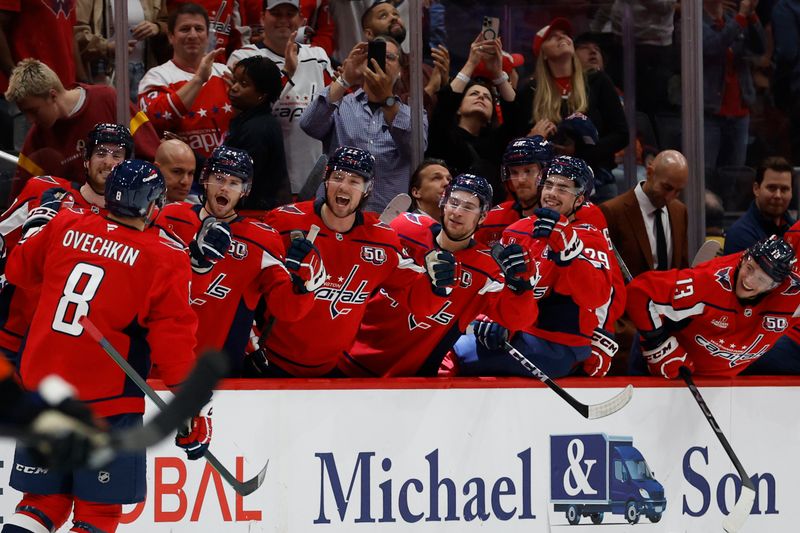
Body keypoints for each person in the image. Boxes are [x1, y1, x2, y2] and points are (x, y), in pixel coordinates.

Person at [2, 159, 206, 533]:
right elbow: (173, 346)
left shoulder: (65, 223)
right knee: (98, 513)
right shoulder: (164, 257)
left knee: (41, 503)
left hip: (40, 392)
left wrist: (34, 230)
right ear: (153, 205)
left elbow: (17, 272)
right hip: (106, 405)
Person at [255, 146, 456, 377]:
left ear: (367, 189)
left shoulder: (383, 239)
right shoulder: (284, 221)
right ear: (326, 179)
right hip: (270, 364)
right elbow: (247, 280)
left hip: (333, 372)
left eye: (355, 181)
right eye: (338, 177)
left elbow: (418, 301)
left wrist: (437, 285)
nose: (344, 186)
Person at [339, 173, 538, 377]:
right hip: (347, 359)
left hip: (408, 379)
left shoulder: (487, 268)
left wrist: (519, 288)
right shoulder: (404, 228)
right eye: (454, 202)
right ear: (444, 203)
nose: (457, 212)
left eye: (469, 207)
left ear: (483, 216)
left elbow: (517, 320)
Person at [156, 145, 322, 375]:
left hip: (218, 372)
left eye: (234, 183)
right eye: (219, 178)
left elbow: (286, 310)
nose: (225, 187)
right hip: (159, 361)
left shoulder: (262, 238)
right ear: (205, 180)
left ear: (245, 190)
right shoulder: (171, 217)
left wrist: (302, 287)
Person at [449, 155, 615, 378]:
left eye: (563, 188)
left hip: (559, 344)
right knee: (442, 344)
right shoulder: (516, 230)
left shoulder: (590, 237)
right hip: (520, 334)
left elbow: (597, 297)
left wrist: (570, 252)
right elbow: (496, 285)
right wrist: (493, 318)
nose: (552, 193)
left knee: (454, 354)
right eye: (549, 184)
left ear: (579, 199)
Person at [0, 123, 133, 371]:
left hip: (66, 350)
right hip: (10, 336)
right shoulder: (45, 191)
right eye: (101, 153)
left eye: (118, 155)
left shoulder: (130, 223)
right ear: (86, 159)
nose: (109, 162)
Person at [627, 236, 800, 377]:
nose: (748, 280)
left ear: (775, 286)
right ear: (744, 258)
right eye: (749, 268)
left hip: (718, 379)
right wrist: (658, 346)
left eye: (761, 279)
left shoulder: (791, 294)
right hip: (668, 367)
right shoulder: (708, 282)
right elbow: (639, 292)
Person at [300, 36, 425, 212]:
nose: (381, 62)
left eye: (390, 57)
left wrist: (386, 100)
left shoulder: (413, 114)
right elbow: (309, 124)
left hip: (386, 217)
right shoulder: (341, 103)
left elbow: (414, 148)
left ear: (400, 70)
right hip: (334, 211)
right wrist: (345, 79)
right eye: (374, 56)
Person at [4, 59, 159, 197]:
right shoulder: (37, 137)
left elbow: (153, 155)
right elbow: (21, 196)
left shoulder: (108, 100)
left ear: (52, 95)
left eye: (33, 111)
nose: (30, 120)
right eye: (25, 113)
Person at [514, 17, 628, 202]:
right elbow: (515, 138)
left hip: (597, 182)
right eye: (553, 37)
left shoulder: (597, 80)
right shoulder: (530, 91)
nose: (563, 38)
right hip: (547, 187)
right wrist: (534, 140)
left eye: (565, 35)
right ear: (542, 53)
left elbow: (622, 134)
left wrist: (580, 152)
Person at [226, 0, 334, 196]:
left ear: (302, 19)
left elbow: (332, 108)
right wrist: (287, 73)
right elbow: (246, 113)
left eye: (290, 14)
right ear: (262, 18)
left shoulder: (317, 55)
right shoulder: (245, 57)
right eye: (276, 13)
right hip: (266, 182)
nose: (283, 20)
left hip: (312, 179)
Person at [426, 34, 517, 205]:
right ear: (458, 108)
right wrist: (471, 63)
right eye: (474, 93)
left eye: (487, 97)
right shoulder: (444, 135)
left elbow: (515, 116)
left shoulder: (495, 144)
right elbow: (444, 106)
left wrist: (498, 74)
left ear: (492, 114)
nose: (481, 97)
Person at [138, 2, 232, 159]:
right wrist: (199, 79)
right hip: (180, 174)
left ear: (208, 36)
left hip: (224, 171)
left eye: (199, 29)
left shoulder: (224, 72)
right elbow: (155, 118)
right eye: (185, 29)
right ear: (170, 36)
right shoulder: (156, 77)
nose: (193, 35)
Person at [599, 149, 690, 277]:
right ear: (649, 173)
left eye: (678, 191)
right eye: (667, 188)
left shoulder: (679, 211)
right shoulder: (612, 212)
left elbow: (682, 267)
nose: (670, 197)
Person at [703, 0, 766, 171]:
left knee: (736, 175)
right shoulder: (692, 23)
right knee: (707, 174)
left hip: (739, 112)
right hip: (710, 112)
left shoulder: (733, 17)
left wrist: (751, 15)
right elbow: (713, 46)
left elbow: (760, 47)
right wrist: (741, 16)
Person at [225, 56, 292, 210]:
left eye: (243, 84)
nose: (234, 87)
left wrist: (191, 156)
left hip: (255, 215)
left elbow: (234, 178)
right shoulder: (252, 120)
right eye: (234, 81)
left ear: (262, 94)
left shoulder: (257, 130)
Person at [473, 136, 554, 247]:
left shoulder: (562, 221)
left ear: (545, 174)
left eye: (528, 171)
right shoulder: (493, 219)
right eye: (514, 172)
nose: (520, 180)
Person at [74, 0, 170, 94]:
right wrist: (107, 47)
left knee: (140, 109)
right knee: (110, 108)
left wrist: (157, 27)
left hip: (145, 70)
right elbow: (76, 33)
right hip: (105, 72)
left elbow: (169, 23)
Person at [724, 156, 795, 254]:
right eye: (771, 188)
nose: (778, 195)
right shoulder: (739, 235)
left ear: (791, 192)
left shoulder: (794, 229)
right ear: (756, 189)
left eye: (784, 189)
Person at [155, 138, 197, 203]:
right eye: (177, 171)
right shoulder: (138, 210)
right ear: (156, 170)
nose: (185, 182)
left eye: (190, 173)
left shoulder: (198, 210)